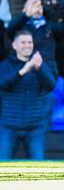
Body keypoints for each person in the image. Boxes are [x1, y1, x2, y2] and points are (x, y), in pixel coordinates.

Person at [0, 30, 56, 160]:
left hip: (34, 128)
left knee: (37, 171)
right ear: (14, 45)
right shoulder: (5, 65)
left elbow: (51, 86)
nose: (27, 45)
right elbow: (3, 84)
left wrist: (39, 68)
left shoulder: (41, 64)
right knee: (2, 169)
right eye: (23, 42)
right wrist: (24, 70)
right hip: (8, 127)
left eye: (30, 42)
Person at [6, 0, 58, 77]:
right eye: (33, 6)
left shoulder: (49, 25)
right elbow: (8, 31)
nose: (36, 9)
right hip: (24, 68)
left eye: (39, 6)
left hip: (48, 68)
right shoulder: (20, 25)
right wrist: (26, 15)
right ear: (24, 10)